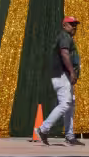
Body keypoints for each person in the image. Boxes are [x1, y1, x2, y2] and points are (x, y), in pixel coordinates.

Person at [34, 16, 85, 147]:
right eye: (71, 24)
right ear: (64, 25)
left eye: (75, 25)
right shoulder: (64, 36)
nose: (74, 27)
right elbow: (64, 54)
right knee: (65, 103)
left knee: (70, 105)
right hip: (62, 74)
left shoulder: (67, 37)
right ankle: (43, 129)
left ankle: (70, 136)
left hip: (65, 75)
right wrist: (72, 72)